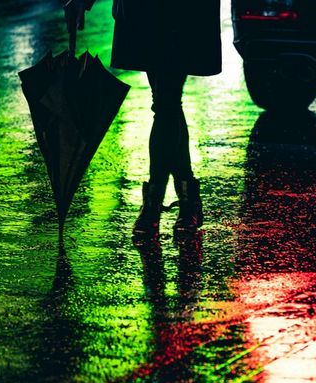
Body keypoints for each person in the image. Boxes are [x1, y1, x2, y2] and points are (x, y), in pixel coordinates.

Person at [64, 0, 221, 237]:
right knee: (166, 101)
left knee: (166, 101)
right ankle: (186, 200)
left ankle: (154, 205)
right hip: (150, 11)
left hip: (177, 11)